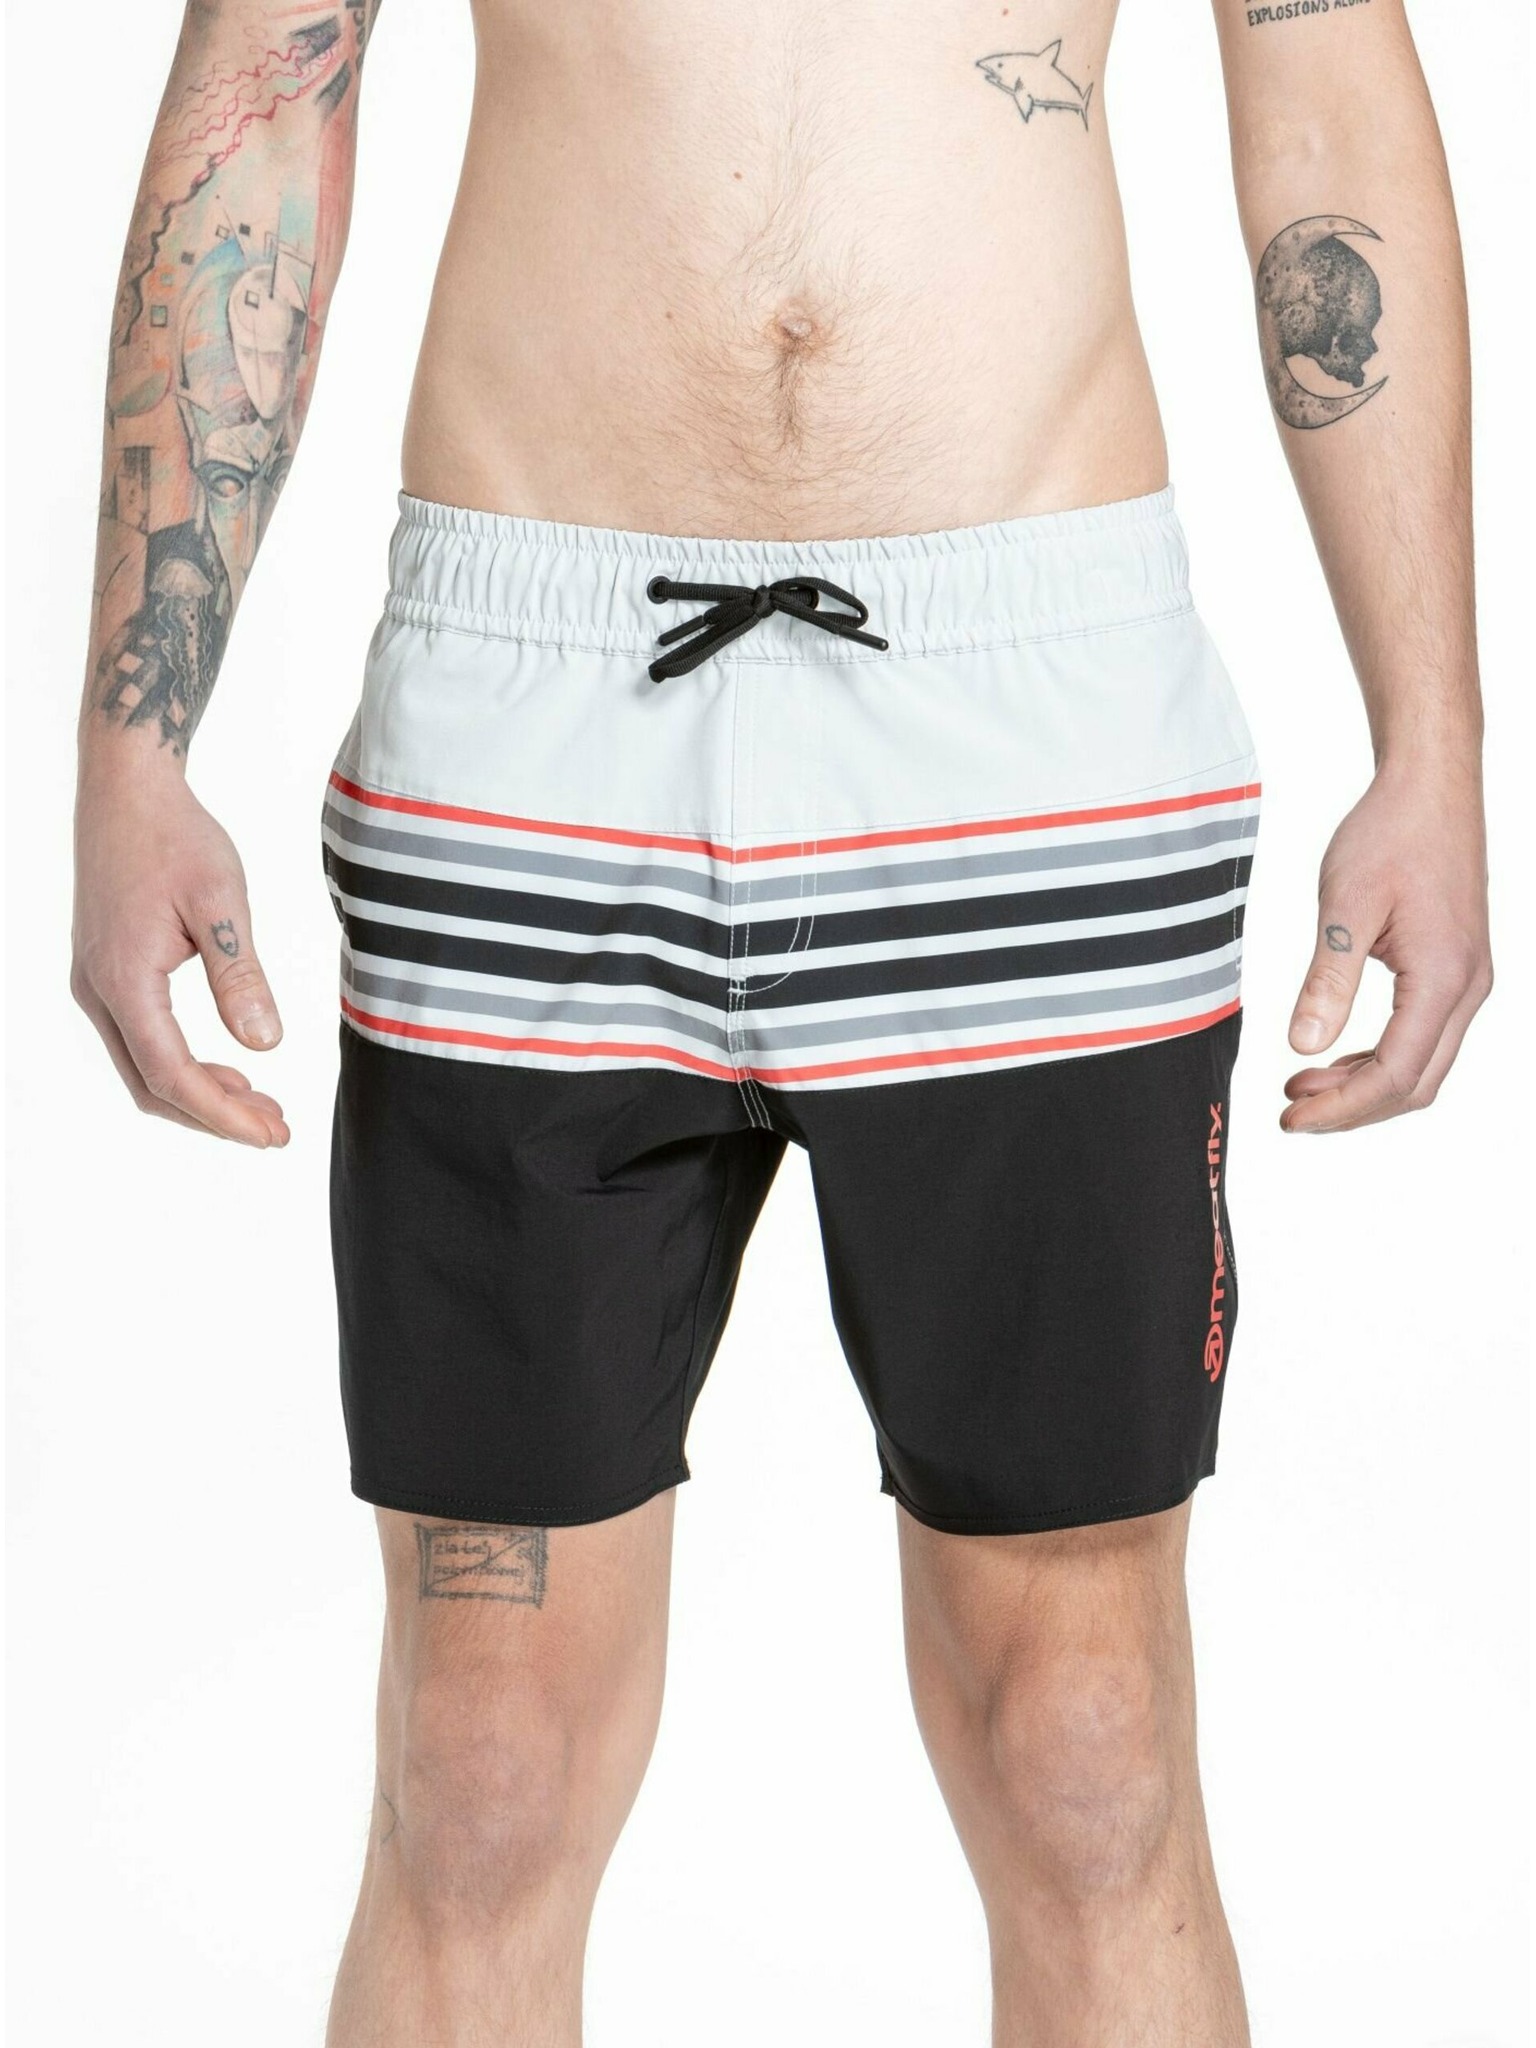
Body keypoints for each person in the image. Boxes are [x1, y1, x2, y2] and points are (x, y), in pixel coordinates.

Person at [70, 2, 1492, 2041]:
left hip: (1037, 730)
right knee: (479, 1765)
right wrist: (135, 745)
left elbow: (1325, 93)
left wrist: (1433, 742)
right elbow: (268, 85)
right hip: (530, 715)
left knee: (1084, 1748)